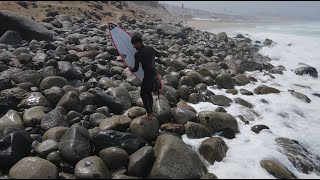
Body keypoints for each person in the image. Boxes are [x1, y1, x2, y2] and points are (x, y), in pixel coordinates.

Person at [129, 35, 163, 120]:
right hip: (154, 74)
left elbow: (136, 69)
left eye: (134, 44)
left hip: (148, 75)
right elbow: (159, 55)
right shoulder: (150, 48)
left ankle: (149, 114)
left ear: (138, 43)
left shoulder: (138, 54)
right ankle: (150, 111)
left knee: (143, 93)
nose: (133, 46)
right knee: (148, 93)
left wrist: (131, 69)